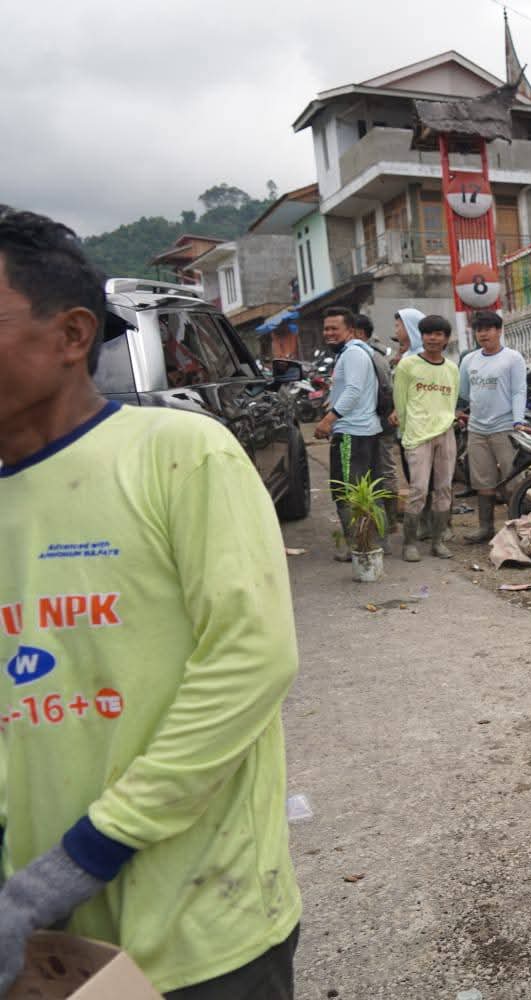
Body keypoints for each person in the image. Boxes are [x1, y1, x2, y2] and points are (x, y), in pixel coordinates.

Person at [0, 205, 301, 996]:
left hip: (200, 931)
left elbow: (251, 658)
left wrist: (85, 854)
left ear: (71, 337)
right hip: (40, 946)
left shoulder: (179, 453)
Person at [314, 306, 384, 560]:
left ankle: (359, 546)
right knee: (367, 490)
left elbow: (354, 391)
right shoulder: (358, 352)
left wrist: (328, 420)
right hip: (366, 431)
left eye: (335, 328)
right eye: (326, 328)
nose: (329, 333)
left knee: (345, 491)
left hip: (352, 434)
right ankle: (374, 542)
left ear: (350, 331)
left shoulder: (352, 354)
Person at [457, 309, 528, 543]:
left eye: (488, 329)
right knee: (482, 481)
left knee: (513, 479)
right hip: (477, 429)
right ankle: (485, 528)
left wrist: (518, 420)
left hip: (505, 427)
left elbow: (519, 391)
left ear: (499, 331)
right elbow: (464, 392)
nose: (483, 334)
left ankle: (518, 527)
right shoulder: (469, 360)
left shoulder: (513, 358)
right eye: (479, 330)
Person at [393, 315, 460, 561]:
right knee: (418, 489)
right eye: (428, 334)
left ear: (446, 338)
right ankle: (410, 544)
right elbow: (400, 403)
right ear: (421, 337)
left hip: (446, 433)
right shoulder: (407, 365)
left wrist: (447, 422)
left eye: (438, 334)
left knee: (444, 489)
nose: (433, 338)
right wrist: (405, 433)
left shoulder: (452, 369)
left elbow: (450, 402)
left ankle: (438, 541)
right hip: (417, 435)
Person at [352, 312, 401, 537]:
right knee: (379, 471)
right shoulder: (371, 354)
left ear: (359, 333)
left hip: (377, 424)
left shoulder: (371, 356)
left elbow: (385, 391)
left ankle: (388, 523)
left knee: (383, 471)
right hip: (375, 423)